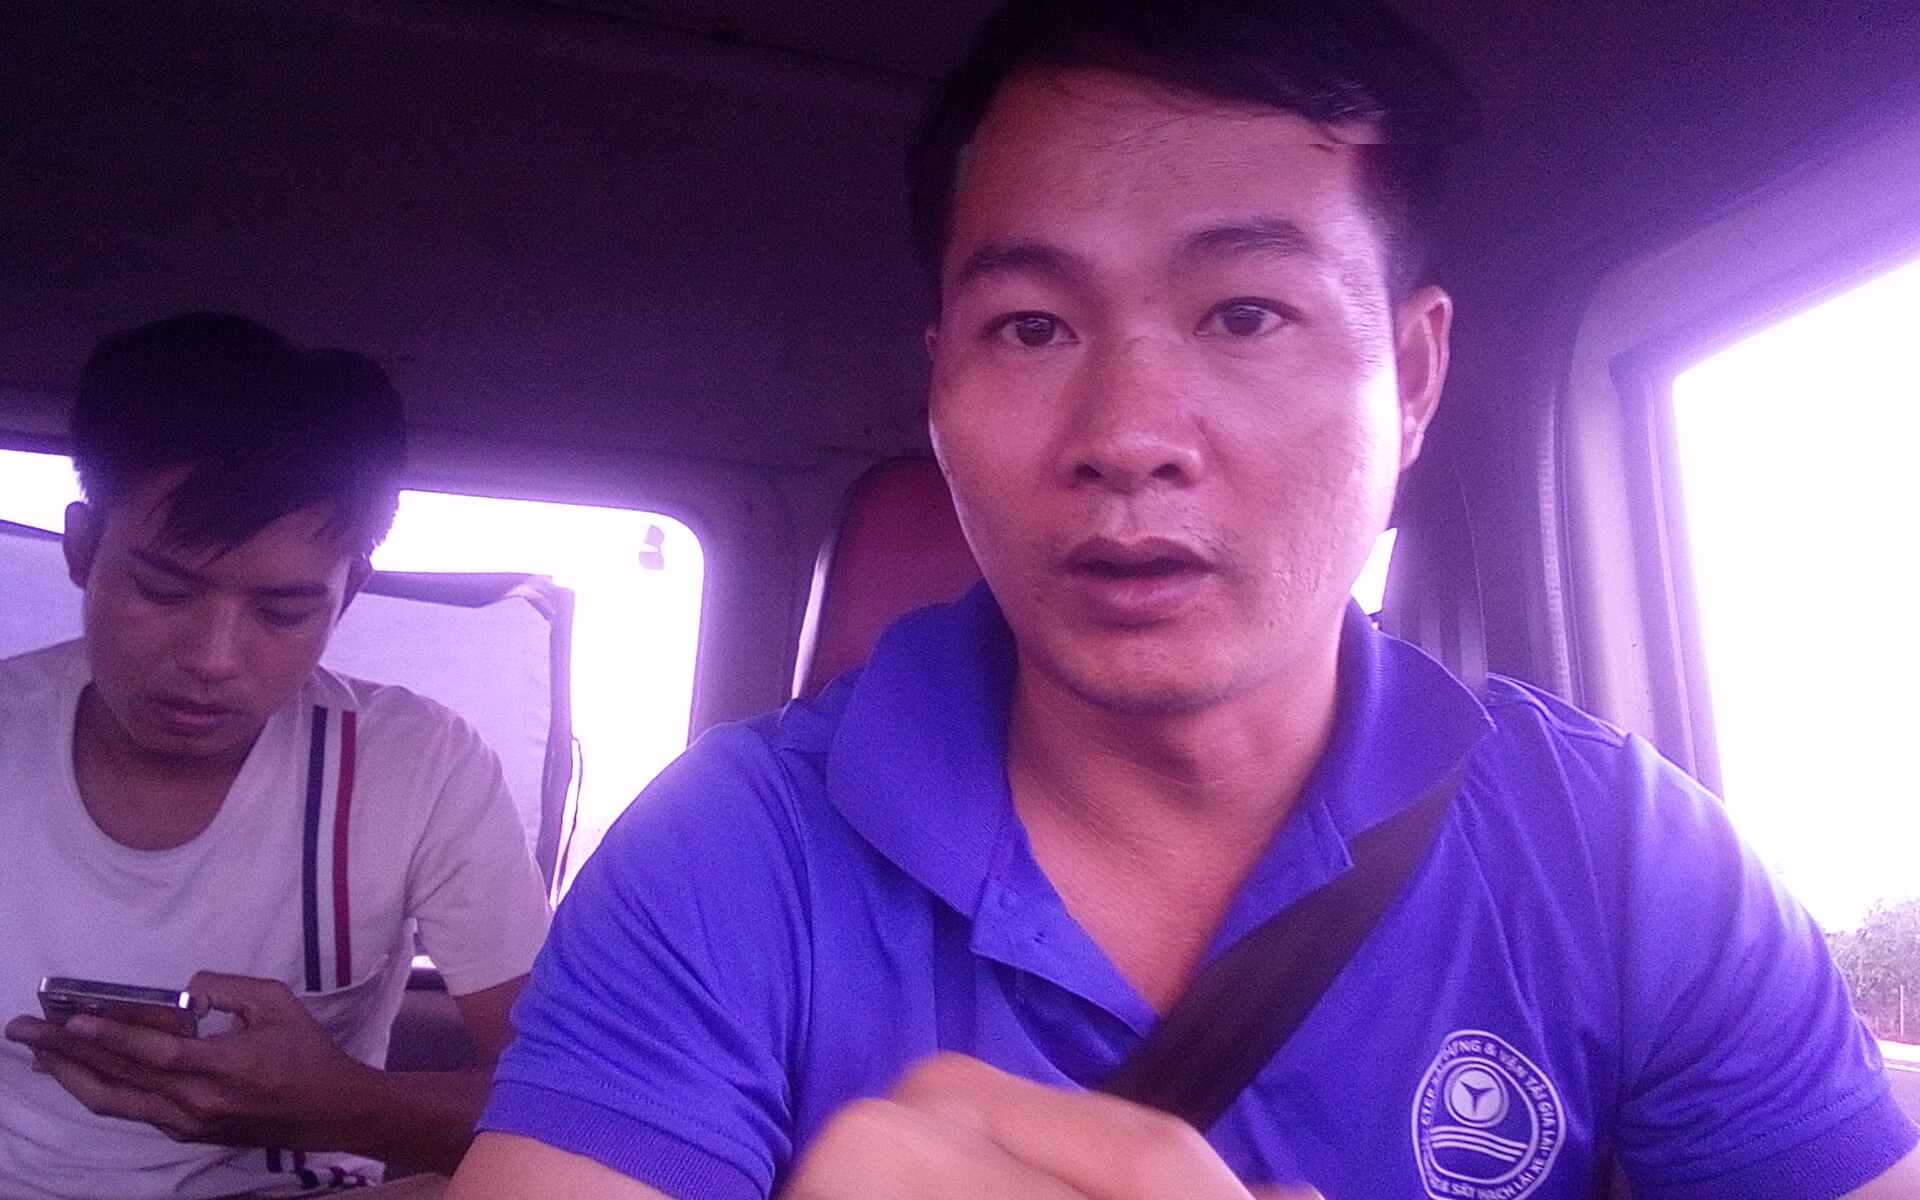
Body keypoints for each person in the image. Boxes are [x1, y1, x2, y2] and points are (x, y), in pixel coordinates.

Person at [448, 2, 1920, 1197]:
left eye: (1247, 313)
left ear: (1412, 379)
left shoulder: (1627, 861)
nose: (1128, 434)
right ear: (941, 388)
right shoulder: (725, 855)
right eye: (1031, 326)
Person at [1, 313, 553, 1198]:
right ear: (81, 548)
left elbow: (574, 1107)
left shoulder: (419, 768)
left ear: (349, 594)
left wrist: (344, 1106)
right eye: (164, 589)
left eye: (284, 612)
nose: (213, 659)